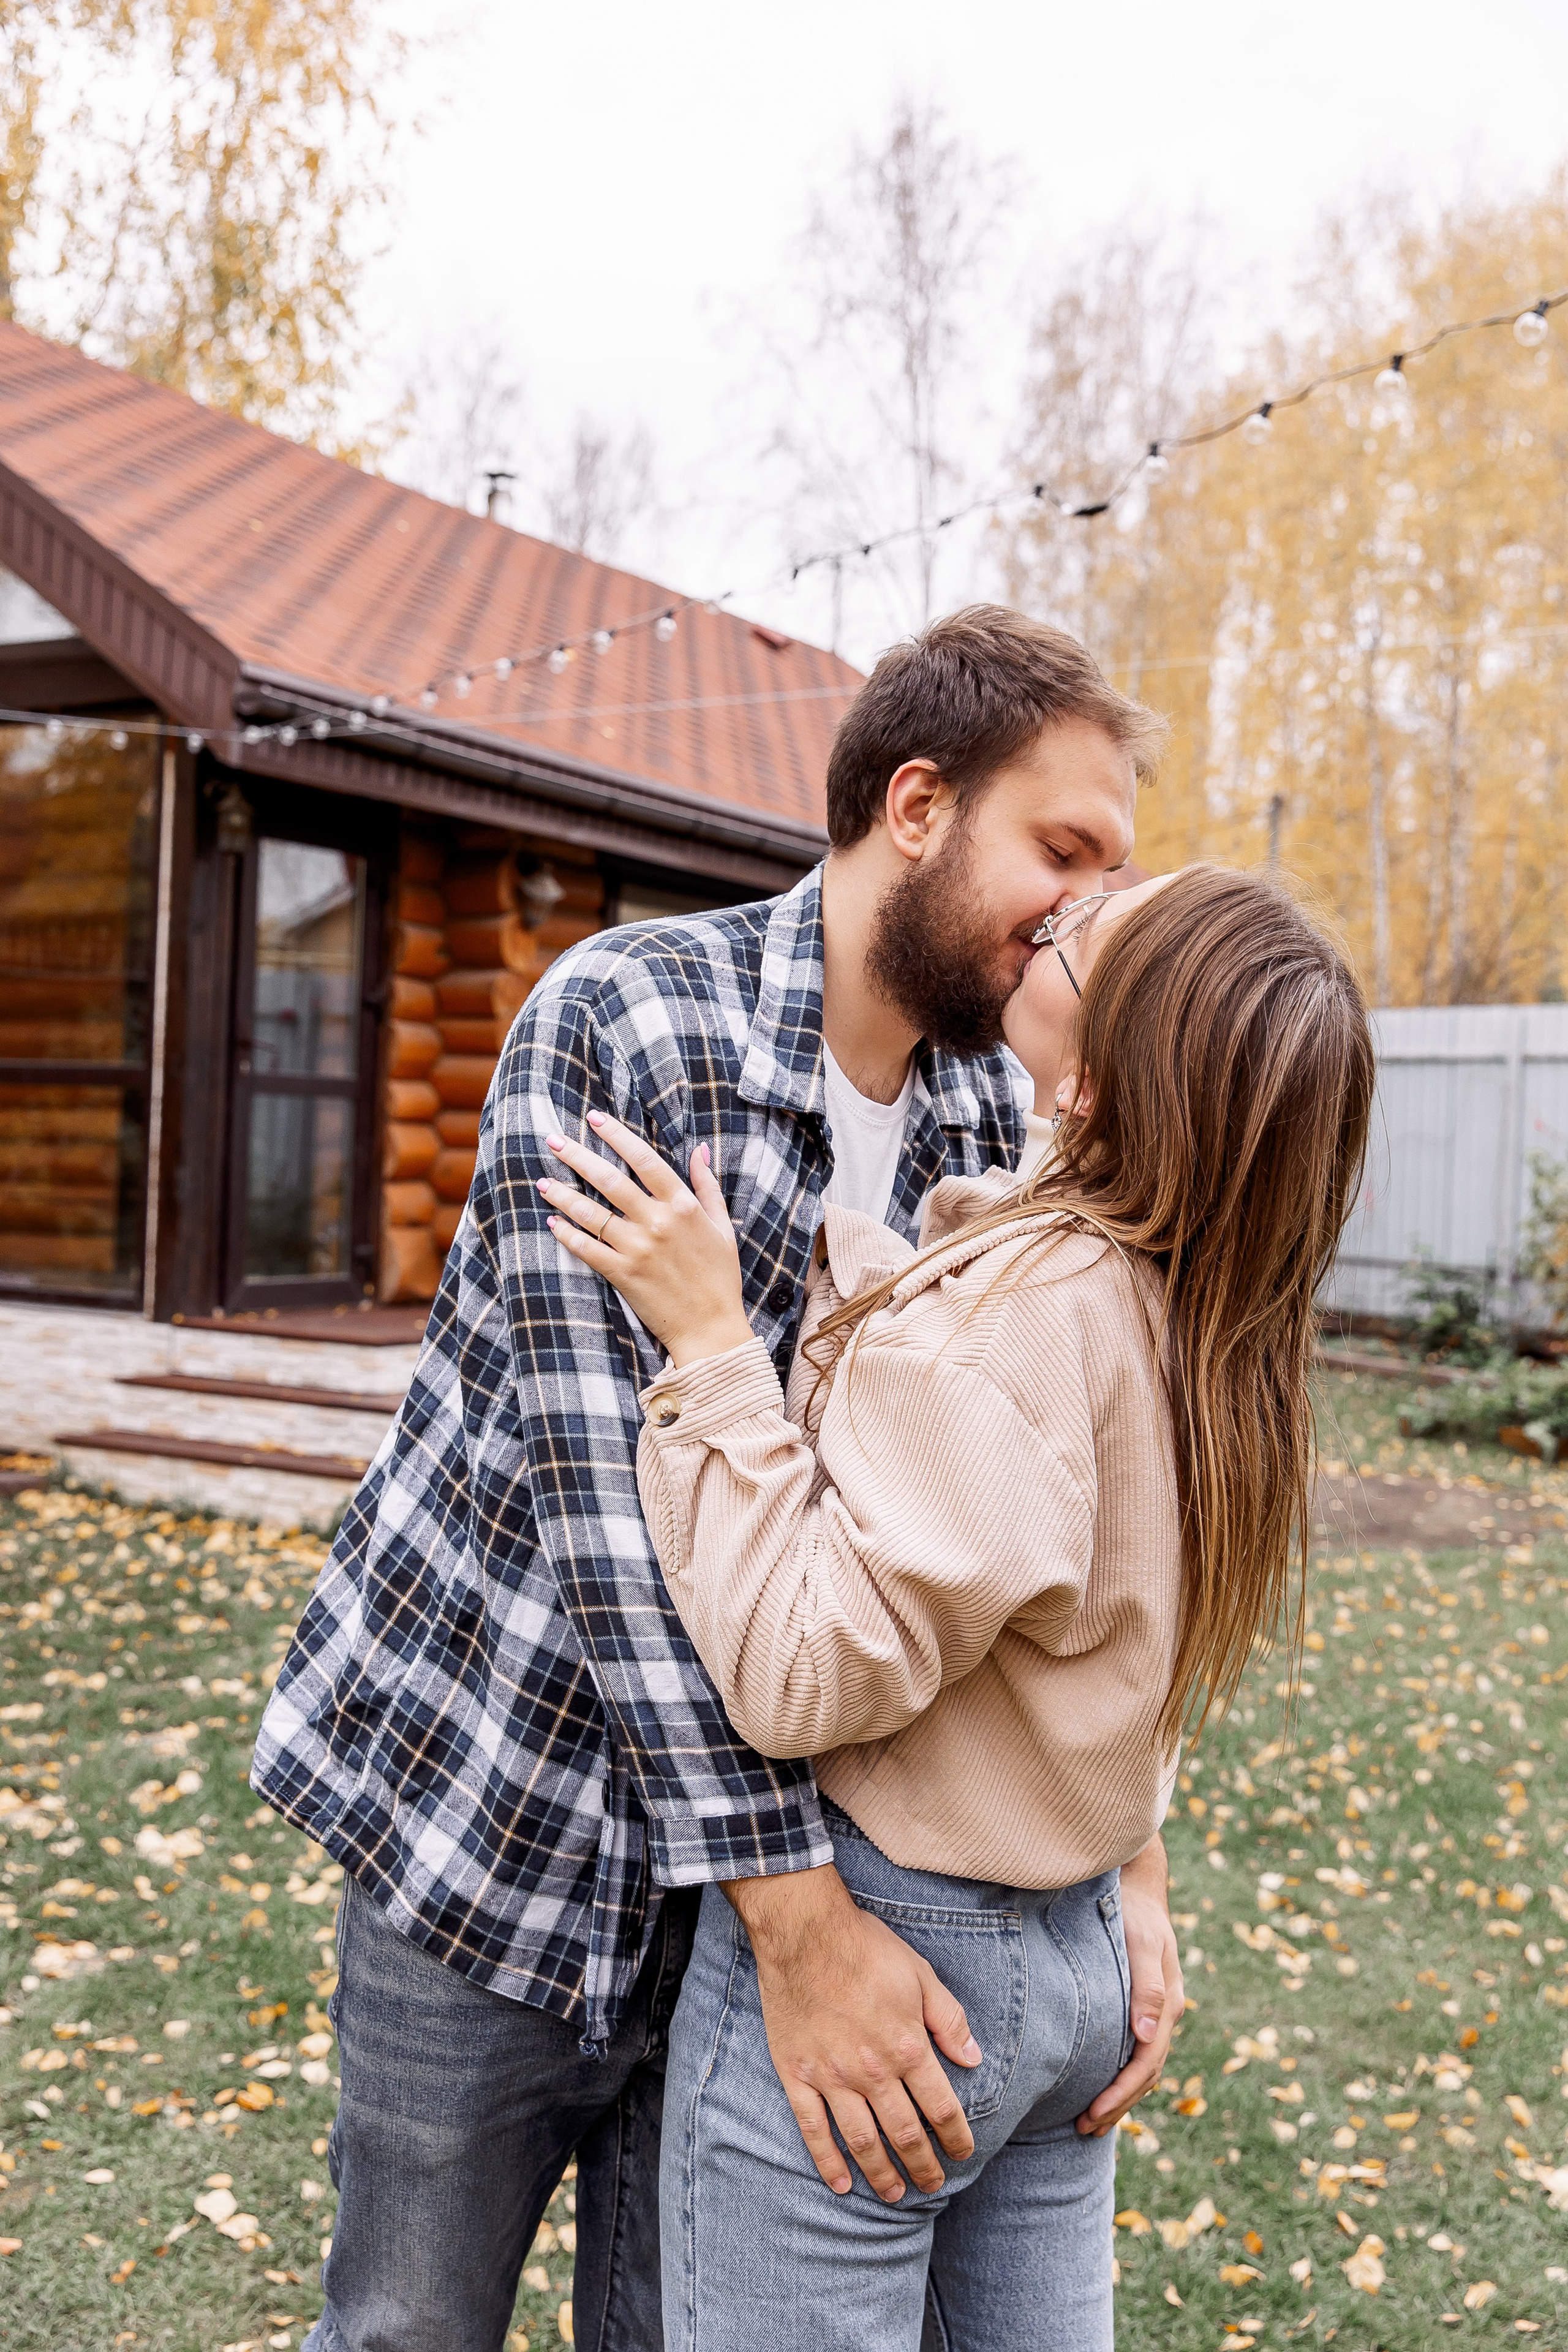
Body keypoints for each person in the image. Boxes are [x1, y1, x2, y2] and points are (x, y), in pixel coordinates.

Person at [252, 604, 1178, 2352]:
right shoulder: (627, 1021)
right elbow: (614, 1522)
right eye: (1061, 850)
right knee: (401, 2326)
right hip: (495, 1814)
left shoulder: (996, 1120)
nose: (1079, 908)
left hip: (760, 1891)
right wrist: (805, 1927)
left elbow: (1047, 1516)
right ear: (918, 804)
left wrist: (1119, 1867)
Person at [538, 861, 1376, 2351]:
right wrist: (1137, 1866)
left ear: (1111, 1077)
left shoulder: (1021, 1320)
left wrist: (714, 1346)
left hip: (906, 1945)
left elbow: (801, 1672)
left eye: (1090, 931)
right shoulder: (1211, 1314)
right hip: (1071, 1953)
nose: (1060, 909)